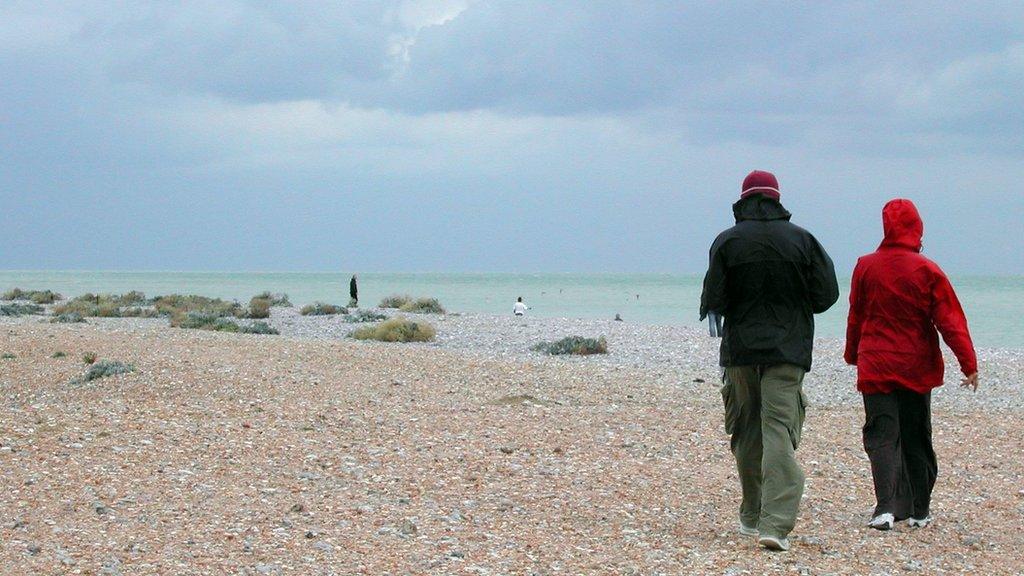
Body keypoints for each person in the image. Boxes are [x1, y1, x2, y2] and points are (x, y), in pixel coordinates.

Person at [700, 170, 839, 552]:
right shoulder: (802, 240)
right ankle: (774, 525)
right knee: (777, 429)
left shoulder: (727, 241)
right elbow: (827, 294)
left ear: (743, 200)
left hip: (741, 349)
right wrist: (794, 307)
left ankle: (751, 513)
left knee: (746, 430)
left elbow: (715, 298)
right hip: (788, 350)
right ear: (777, 200)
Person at [844, 199, 978, 531]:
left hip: (876, 362)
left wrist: (852, 353)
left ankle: (886, 508)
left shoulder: (866, 266)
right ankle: (920, 509)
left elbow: (856, 316)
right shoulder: (927, 270)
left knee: (881, 434)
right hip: (915, 365)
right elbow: (949, 320)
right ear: (917, 229)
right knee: (917, 435)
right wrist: (968, 363)